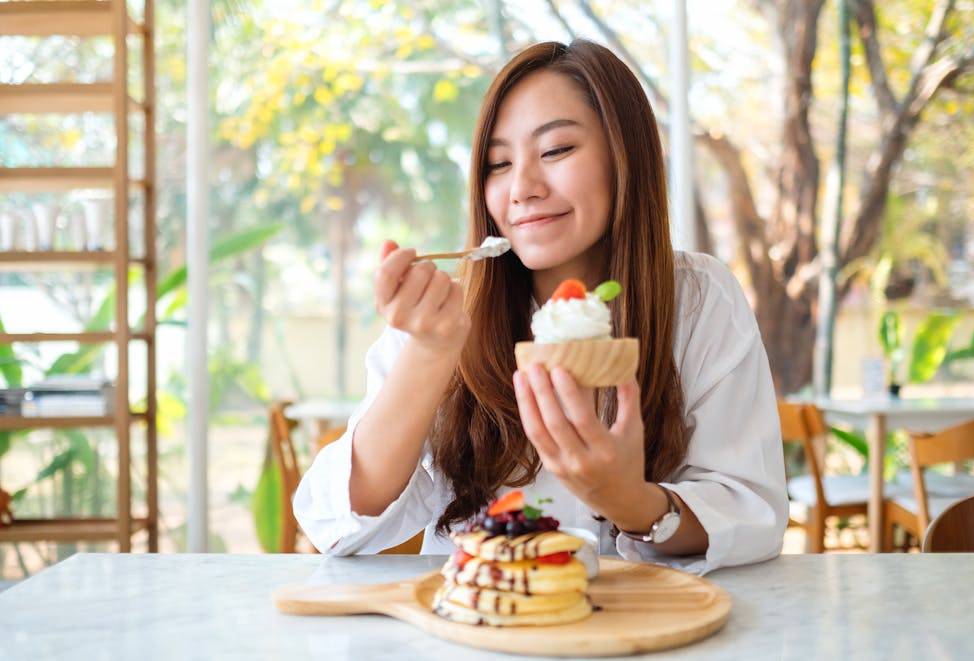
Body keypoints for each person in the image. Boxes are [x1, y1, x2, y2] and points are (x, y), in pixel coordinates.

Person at [294, 39, 787, 574]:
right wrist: (430, 352)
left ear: (625, 157)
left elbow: (751, 511)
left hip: (648, 635)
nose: (521, 189)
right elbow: (337, 523)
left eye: (555, 151)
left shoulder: (700, 297)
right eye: (498, 163)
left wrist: (629, 500)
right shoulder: (444, 312)